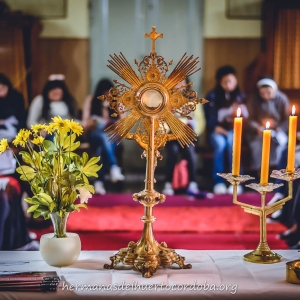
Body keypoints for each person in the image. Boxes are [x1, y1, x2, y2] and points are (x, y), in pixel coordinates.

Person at [204, 66, 247, 194]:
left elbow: (246, 117)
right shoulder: (212, 96)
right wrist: (215, 127)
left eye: (231, 81)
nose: (228, 85)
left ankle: (236, 180)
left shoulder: (241, 96)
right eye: (225, 82)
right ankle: (218, 181)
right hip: (216, 131)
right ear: (220, 82)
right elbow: (208, 117)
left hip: (234, 130)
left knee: (232, 144)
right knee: (220, 144)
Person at [162, 79, 206, 197]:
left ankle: (192, 182)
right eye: (176, 83)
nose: (179, 85)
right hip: (171, 136)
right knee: (173, 151)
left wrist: (192, 129)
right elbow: (161, 121)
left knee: (189, 150)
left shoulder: (193, 101)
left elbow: (200, 121)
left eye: (182, 83)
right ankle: (168, 183)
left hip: (188, 136)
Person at [82, 79, 124, 195]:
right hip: (95, 135)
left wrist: (113, 123)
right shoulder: (91, 100)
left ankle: (99, 183)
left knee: (102, 147)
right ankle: (114, 167)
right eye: (104, 93)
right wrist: (92, 123)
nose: (106, 96)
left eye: (109, 93)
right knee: (104, 137)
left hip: (112, 136)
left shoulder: (117, 101)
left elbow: (124, 123)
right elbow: (84, 123)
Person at [246, 78, 290, 176]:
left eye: (269, 93)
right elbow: (249, 119)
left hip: (277, 132)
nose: (265, 96)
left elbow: (287, 119)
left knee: (278, 146)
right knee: (257, 146)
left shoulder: (282, 99)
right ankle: (260, 173)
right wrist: (257, 127)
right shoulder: (254, 99)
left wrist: (279, 128)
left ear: (274, 90)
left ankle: (275, 173)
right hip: (257, 132)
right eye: (262, 93)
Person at [0, 73, 26, 140]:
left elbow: (21, 115)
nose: (1, 91)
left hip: (14, 127)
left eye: (3, 87)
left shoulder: (16, 96)